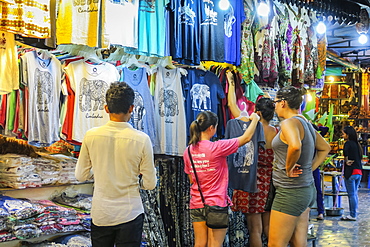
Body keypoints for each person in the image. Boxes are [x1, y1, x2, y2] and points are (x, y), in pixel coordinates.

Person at [75, 82, 157, 247]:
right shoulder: (141, 139)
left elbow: (80, 175)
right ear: (131, 108)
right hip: (130, 212)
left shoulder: (91, 136)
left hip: (101, 213)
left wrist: (99, 171)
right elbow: (150, 184)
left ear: (106, 108)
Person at [183, 110, 260, 247]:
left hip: (196, 202)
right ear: (211, 128)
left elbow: (191, 179)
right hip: (216, 203)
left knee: (199, 243)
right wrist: (255, 119)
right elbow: (246, 138)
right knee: (215, 244)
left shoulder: (188, 151)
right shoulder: (218, 147)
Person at [268, 86, 331, 247]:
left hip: (290, 191)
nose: (274, 106)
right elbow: (325, 148)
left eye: (275, 102)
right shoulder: (305, 122)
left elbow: (295, 146)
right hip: (305, 189)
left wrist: (288, 168)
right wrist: (310, 168)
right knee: (299, 242)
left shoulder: (289, 123)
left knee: (276, 244)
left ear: (283, 103)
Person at [227, 72, 277, 247]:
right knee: (268, 227)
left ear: (257, 112)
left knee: (254, 229)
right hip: (270, 185)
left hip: (252, 184)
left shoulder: (250, 127)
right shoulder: (277, 132)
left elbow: (232, 104)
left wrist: (231, 83)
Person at [341, 125, 363, 221]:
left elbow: (346, 156)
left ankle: (352, 215)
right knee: (355, 193)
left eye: (343, 134)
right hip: (359, 172)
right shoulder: (358, 145)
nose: (342, 135)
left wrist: (346, 161)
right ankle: (354, 212)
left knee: (351, 194)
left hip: (351, 173)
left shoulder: (348, 144)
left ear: (348, 134)